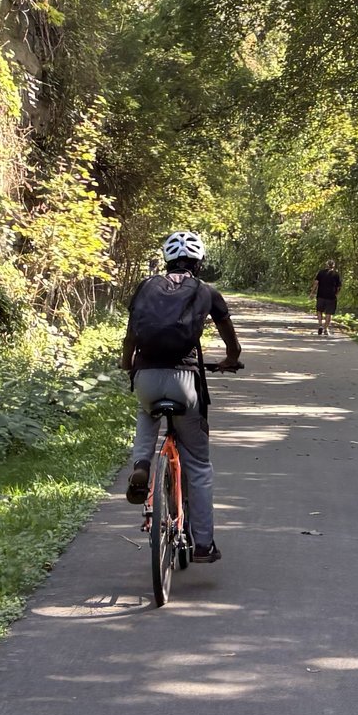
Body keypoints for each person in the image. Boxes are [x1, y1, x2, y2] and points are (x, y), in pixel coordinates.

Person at [121, 229, 243, 563]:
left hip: (146, 377)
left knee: (147, 412)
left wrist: (126, 363)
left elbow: (132, 333)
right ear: (199, 261)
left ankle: (143, 464)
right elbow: (231, 342)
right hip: (185, 381)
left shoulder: (146, 287)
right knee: (199, 466)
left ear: (167, 259)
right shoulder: (206, 291)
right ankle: (203, 544)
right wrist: (230, 360)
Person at [312, 258, 342, 336]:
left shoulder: (321, 273)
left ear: (326, 265)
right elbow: (338, 287)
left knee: (319, 311)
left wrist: (312, 292)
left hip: (321, 295)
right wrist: (336, 294)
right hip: (331, 296)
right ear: (333, 266)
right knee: (329, 314)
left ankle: (320, 325)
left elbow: (316, 283)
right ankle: (325, 329)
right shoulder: (336, 274)